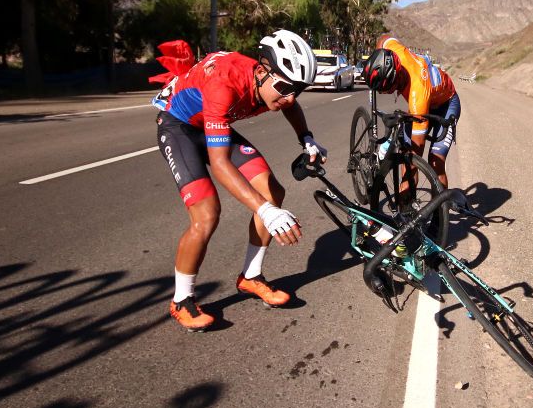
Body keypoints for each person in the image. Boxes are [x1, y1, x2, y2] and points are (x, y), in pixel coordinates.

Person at [149, 30, 327, 332]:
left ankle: (251, 277)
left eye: (298, 89)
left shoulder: (273, 85)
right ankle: (181, 299)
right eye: (285, 87)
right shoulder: (226, 83)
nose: (290, 97)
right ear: (261, 71)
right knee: (206, 215)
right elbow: (220, 165)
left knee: (272, 191)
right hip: (180, 127)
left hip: (211, 123)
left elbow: (290, 104)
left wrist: (306, 139)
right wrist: (266, 213)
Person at [360, 35, 460, 189]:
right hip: (426, 98)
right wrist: (377, 58)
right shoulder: (393, 52)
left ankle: (440, 211)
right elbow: (384, 38)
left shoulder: (417, 90)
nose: (383, 94)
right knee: (406, 152)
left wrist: (406, 181)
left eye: (387, 90)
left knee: (432, 160)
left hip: (446, 104)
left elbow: (416, 150)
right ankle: (406, 205)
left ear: (397, 78)